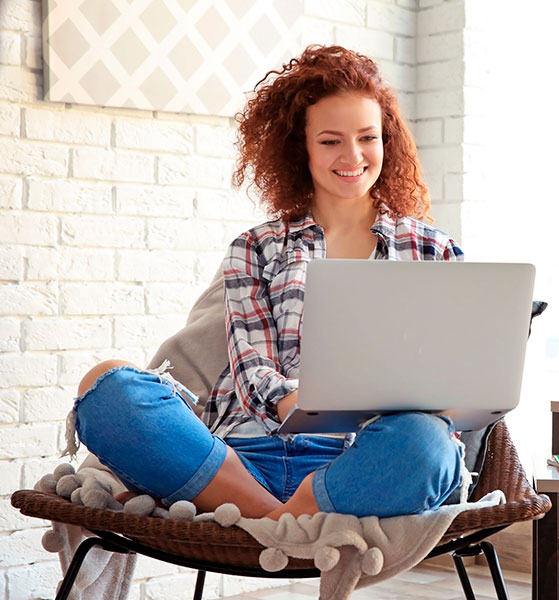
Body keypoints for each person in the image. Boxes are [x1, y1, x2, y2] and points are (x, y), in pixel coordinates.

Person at [70, 45, 467, 520]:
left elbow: (448, 383)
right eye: (330, 141)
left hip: (363, 460)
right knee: (107, 386)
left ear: (388, 140)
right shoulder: (255, 247)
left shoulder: (432, 250)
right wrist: (301, 402)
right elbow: (253, 369)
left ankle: (273, 521)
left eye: (368, 137)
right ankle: (286, 521)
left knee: (428, 444)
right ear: (301, 148)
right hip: (241, 460)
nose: (353, 155)